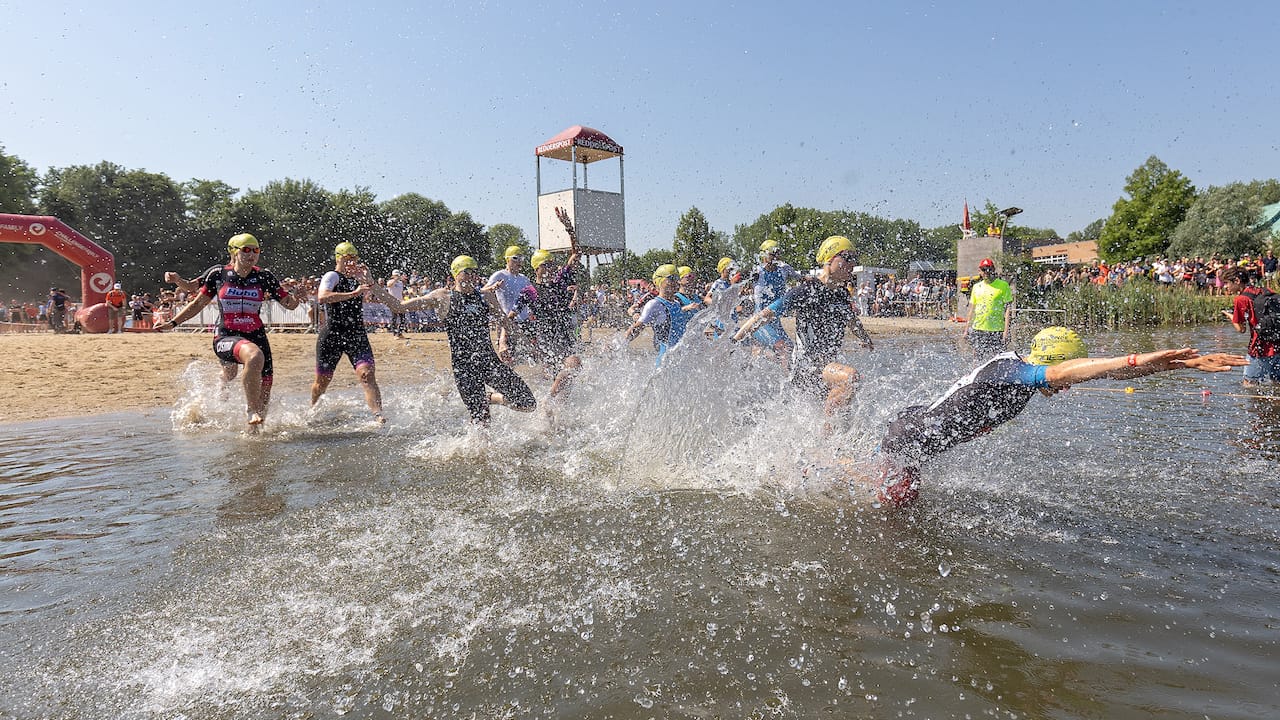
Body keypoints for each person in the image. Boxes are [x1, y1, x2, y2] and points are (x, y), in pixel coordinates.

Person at [867, 326, 1247, 508]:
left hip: (918, 444)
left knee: (899, 512)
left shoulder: (1022, 374)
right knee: (894, 514)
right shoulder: (1010, 371)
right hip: (907, 440)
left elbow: (1104, 374)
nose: (1066, 388)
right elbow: (1067, 373)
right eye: (1064, 378)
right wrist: (1136, 357)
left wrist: (1182, 364)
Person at [155, 233, 307, 428]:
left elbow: (289, 304)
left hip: (257, 335)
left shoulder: (264, 276)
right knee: (251, 358)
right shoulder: (218, 274)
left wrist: (296, 297)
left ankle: (256, 433)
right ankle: (250, 410)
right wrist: (173, 323)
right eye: (246, 250)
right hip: (227, 335)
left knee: (265, 388)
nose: (252, 254)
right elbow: (197, 302)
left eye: (256, 250)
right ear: (234, 252)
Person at [734, 235, 874, 415]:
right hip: (805, 369)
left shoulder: (842, 294)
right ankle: (828, 431)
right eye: (847, 257)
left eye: (855, 258)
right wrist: (735, 340)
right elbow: (763, 316)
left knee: (841, 409)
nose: (852, 264)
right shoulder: (807, 291)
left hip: (825, 367)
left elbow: (852, 321)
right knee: (850, 378)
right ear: (829, 259)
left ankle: (828, 431)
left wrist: (865, 339)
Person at [399, 255, 536, 425]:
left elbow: (507, 324)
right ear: (456, 274)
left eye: (475, 272)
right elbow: (398, 307)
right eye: (467, 271)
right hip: (464, 368)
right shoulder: (444, 297)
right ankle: (482, 406)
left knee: (528, 403)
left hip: (489, 362)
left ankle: (490, 398)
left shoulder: (485, 297)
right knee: (481, 423)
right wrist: (372, 285)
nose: (472, 276)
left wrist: (529, 346)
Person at [310, 241, 398, 422]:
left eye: (354, 259)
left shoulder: (358, 278)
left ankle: (378, 415)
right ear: (338, 259)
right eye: (347, 259)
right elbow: (322, 297)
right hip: (332, 334)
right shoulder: (332, 276)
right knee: (322, 382)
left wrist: (368, 280)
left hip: (356, 333)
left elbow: (383, 296)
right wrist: (354, 293)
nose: (351, 263)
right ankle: (312, 411)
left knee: (367, 374)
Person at [526, 209, 584, 398]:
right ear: (536, 268)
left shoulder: (559, 281)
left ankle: (550, 405)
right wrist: (504, 340)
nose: (551, 268)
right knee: (564, 373)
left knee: (572, 370)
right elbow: (512, 316)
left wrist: (569, 228)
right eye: (546, 265)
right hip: (546, 342)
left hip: (565, 337)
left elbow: (577, 253)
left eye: (552, 264)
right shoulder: (529, 290)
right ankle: (548, 405)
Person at [624, 263, 704, 365]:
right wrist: (621, 344)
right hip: (665, 362)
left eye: (677, 278)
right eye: (671, 278)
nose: (676, 282)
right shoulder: (654, 304)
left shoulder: (676, 303)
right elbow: (637, 327)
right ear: (659, 281)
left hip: (681, 359)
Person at [1220, 265, 1280, 385]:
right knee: (1277, 383)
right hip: (1277, 344)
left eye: (1227, 283)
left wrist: (1231, 316)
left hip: (1259, 348)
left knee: (1249, 385)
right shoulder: (1265, 291)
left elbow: (1241, 329)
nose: (1225, 286)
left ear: (1237, 281)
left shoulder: (1241, 299)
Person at [751, 239, 802, 364]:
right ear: (763, 255)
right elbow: (736, 283)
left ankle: (761, 359)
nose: (776, 256)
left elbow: (803, 280)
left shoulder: (784, 269)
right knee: (783, 348)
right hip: (760, 323)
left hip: (775, 322)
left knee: (791, 349)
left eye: (778, 253)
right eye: (772, 253)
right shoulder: (757, 272)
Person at [487, 244, 536, 365]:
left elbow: (532, 298)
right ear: (507, 259)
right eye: (515, 258)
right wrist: (493, 288)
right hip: (506, 323)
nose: (519, 261)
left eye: (521, 258)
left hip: (525, 322)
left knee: (532, 357)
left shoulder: (524, 279)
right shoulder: (499, 275)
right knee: (508, 359)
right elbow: (483, 292)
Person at [965, 257, 1014, 360]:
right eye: (984, 269)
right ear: (980, 271)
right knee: (977, 358)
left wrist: (1006, 331)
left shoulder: (1003, 285)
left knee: (998, 359)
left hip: (997, 330)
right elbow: (972, 310)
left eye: (989, 269)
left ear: (993, 270)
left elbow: (1008, 310)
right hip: (978, 329)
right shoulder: (976, 287)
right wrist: (966, 330)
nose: (986, 272)